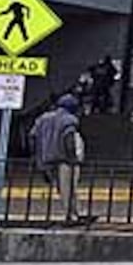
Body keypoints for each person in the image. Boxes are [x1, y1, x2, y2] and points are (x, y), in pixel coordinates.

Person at [31, 94, 85, 224]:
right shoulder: (69, 120)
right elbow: (69, 139)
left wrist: (39, 155)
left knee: (60, 188)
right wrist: (73, 158)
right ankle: (71, 216)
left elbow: (33, 136)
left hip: (47, 158)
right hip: (65, 160)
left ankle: (73, 213)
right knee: (69, 188)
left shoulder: (43, 118)